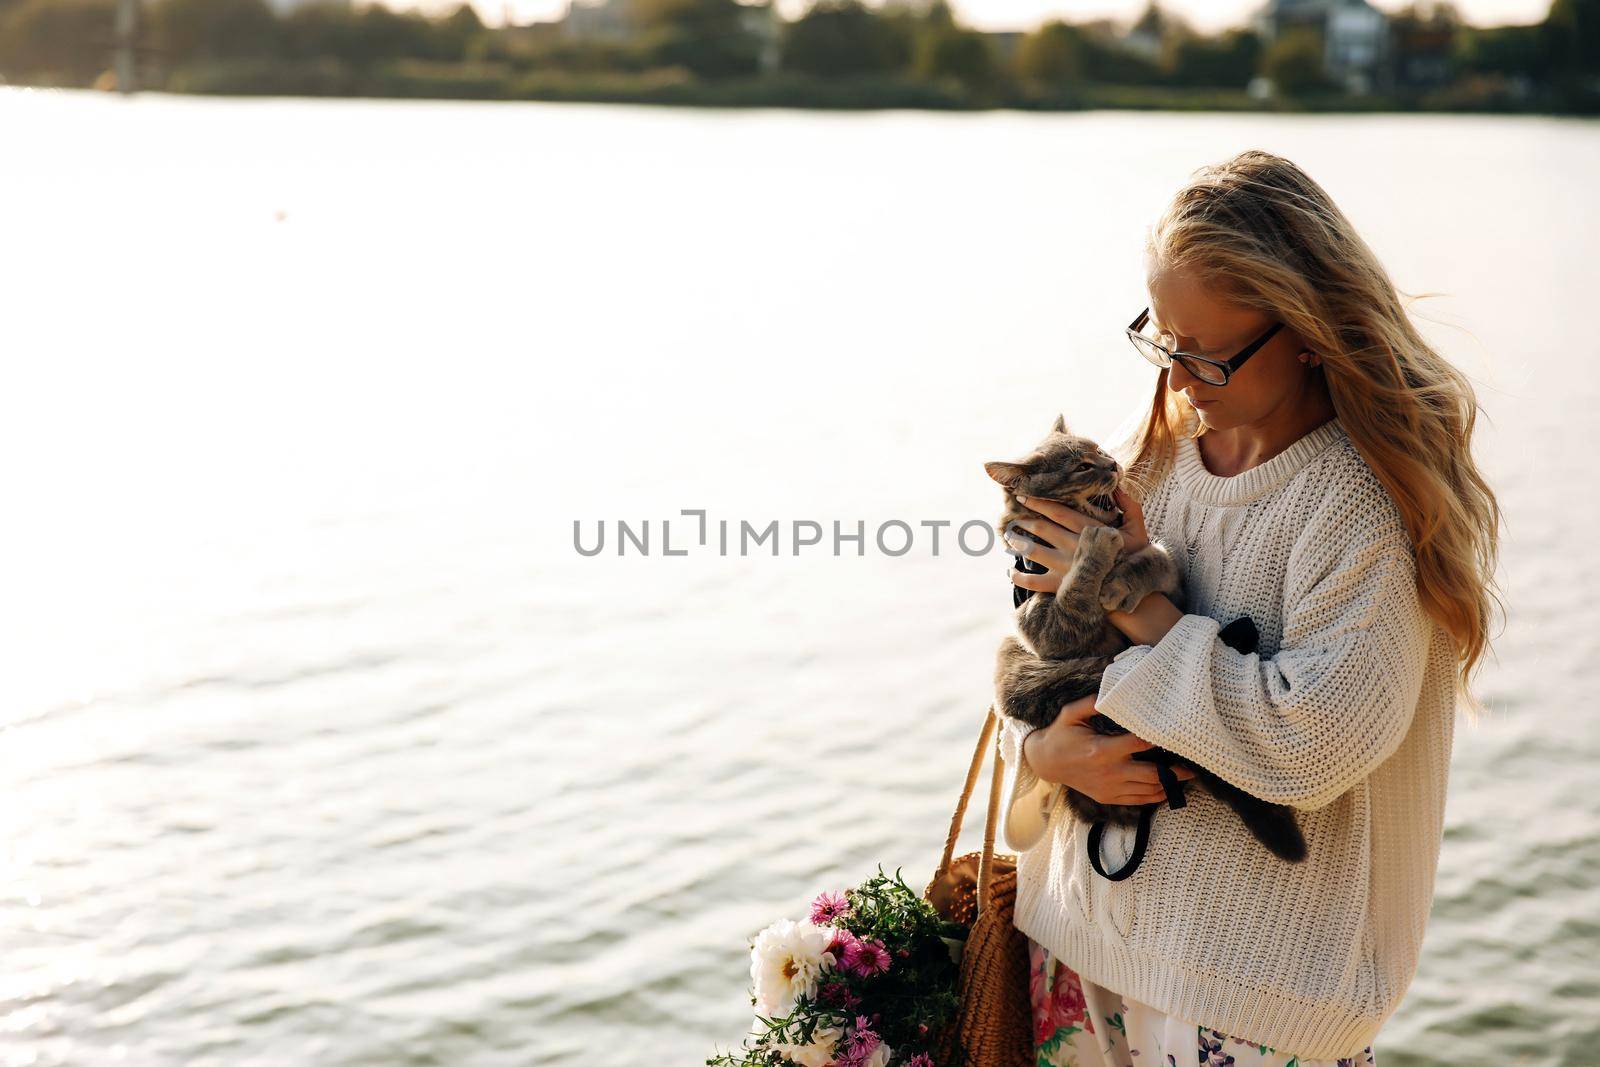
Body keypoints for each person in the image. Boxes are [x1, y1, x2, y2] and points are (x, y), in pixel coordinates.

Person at [992, 149, 1502, 1067]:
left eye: (1209, 356)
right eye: (1163, 343)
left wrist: (1131, 600)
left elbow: (1311, 741)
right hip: (1069, 947)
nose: (1180, 382)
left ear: (1307, 329)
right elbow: (1026, 658)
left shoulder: (1364, 507)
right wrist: (1040, 750)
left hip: (1252, 1003)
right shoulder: (1142, 460)